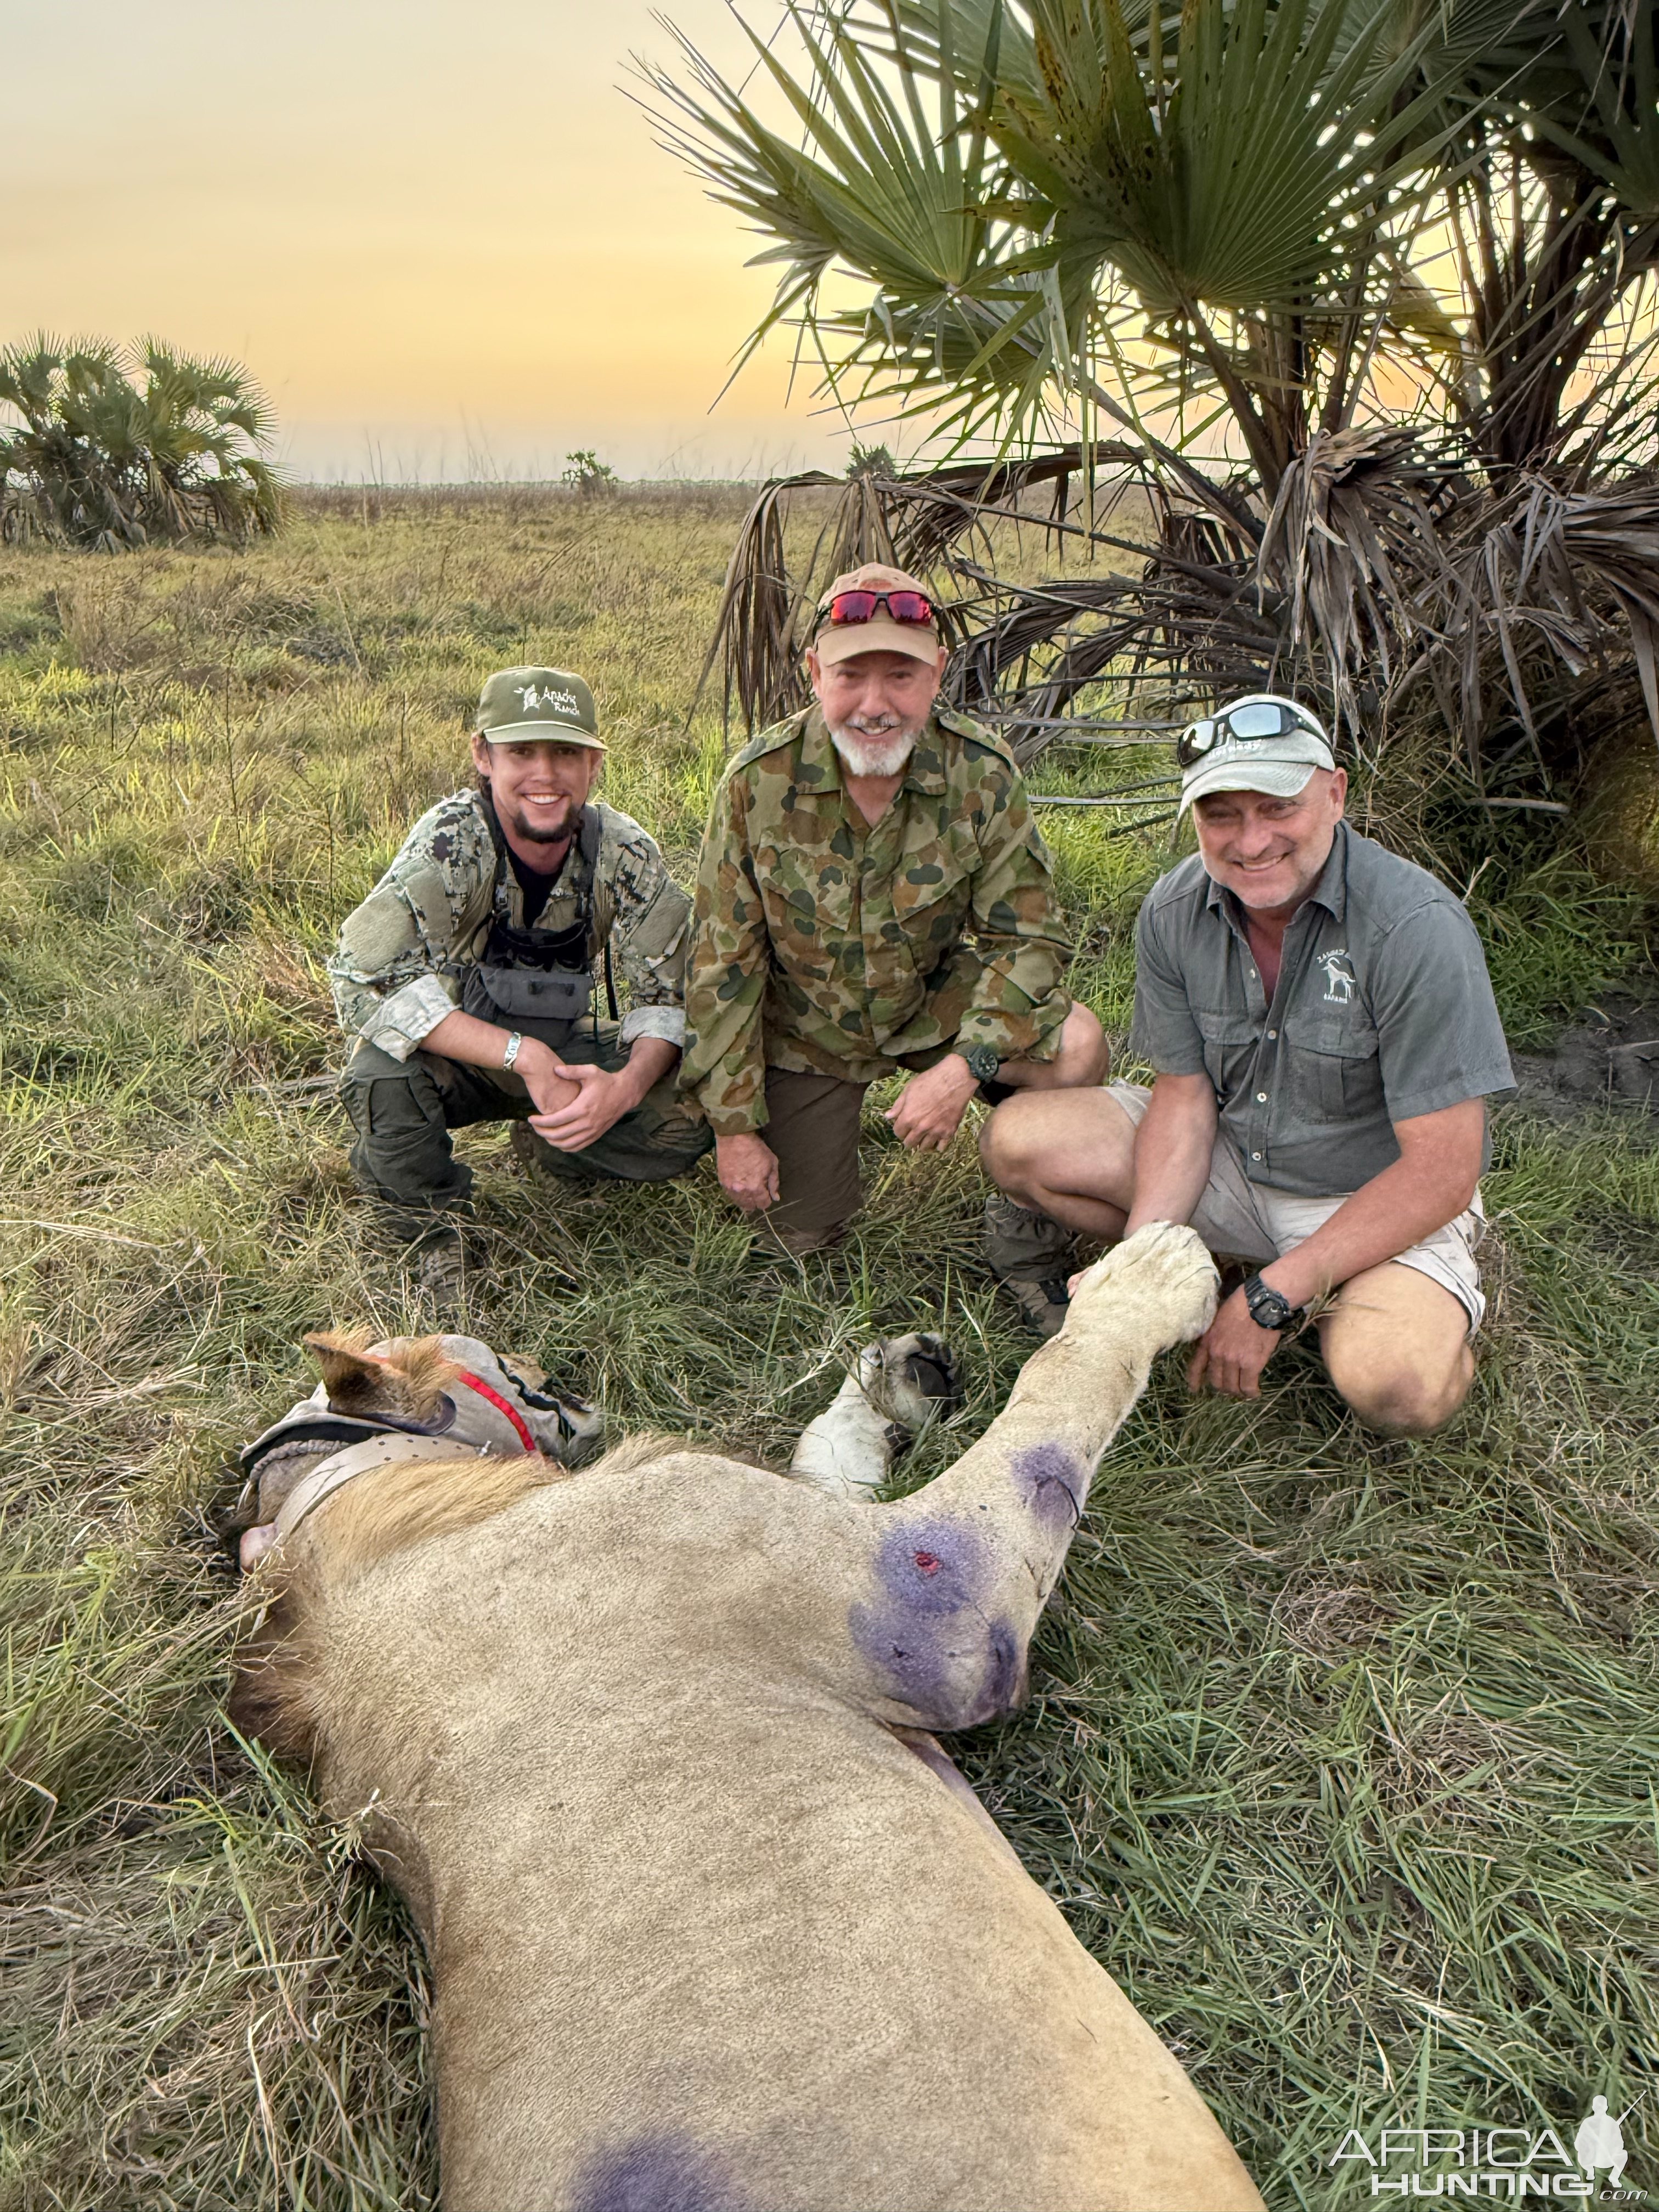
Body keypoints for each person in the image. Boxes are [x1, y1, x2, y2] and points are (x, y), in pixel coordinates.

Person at [981, 694, 1515, 1434]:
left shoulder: (1415, 928)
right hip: (1238, 1162)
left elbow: (1444, 1170)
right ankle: (1227, 1271)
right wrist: (1143, 1264)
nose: (1251, 840)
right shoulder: (1174, 912)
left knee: (1398, 1391)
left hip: (1370, 1195)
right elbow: (1185, 1102)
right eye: (1220, 814)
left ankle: (1406, 1304)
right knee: (1020, 1140)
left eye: (1277, 808)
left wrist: (1274, 1294)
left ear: (1335, 793)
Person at [679, 562, 1107, 1271]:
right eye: (851, 677)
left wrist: (966, 1066)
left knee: (1081, 1044)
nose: (874, 704)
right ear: (815, 673)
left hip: (928, 1002)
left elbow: (1028, 941)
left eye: (900, 677)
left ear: (937, 673)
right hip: (807, 1030)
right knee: (799, 1245)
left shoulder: (982, 771)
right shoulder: (757, 782)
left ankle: (1026, 1224)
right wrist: (735, 1127)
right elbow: (722, 966)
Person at [328, 665, 710, 1288]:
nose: (545, 774)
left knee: (693, 1111)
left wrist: (626, 1087)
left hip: (567, 1053)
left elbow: (673, 991)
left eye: (565, 753)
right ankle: (432, 1233)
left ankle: (557, 1150)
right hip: (464, 1054)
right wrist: (520, 1055)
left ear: (593, 765)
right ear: (483, 756)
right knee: (380, 1075)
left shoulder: (624, 852)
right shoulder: (452, 843)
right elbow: (365, 977)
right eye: (521, 752)